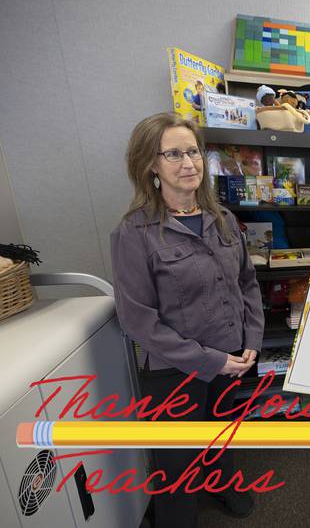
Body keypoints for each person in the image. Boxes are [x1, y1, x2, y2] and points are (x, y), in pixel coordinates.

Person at [110, 112, 264, 528]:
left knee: (222, 432)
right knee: (175, 459)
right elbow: (137, 319)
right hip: (173, 370)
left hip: (231, 357)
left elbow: (247, 283)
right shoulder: (135, 233)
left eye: (193, 151)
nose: (189, 162)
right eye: (173, 153)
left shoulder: (225, 220)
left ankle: (224, 484)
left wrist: (251, 337)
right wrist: (208, 361)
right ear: (150, 165)